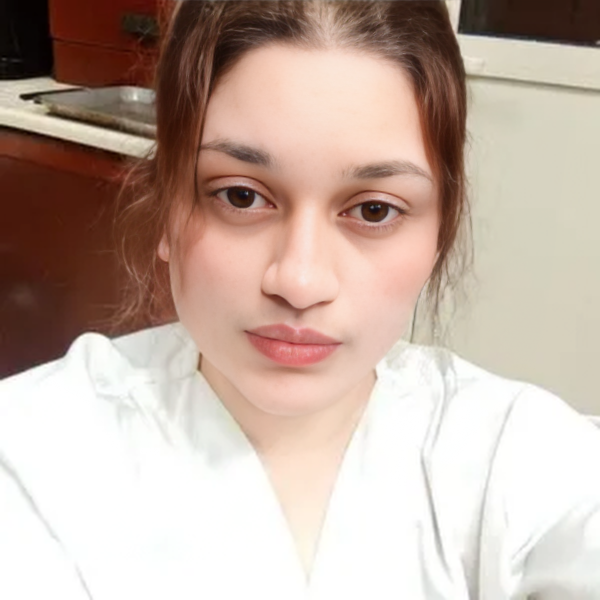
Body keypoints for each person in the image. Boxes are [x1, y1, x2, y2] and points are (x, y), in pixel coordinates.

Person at [1, 1, 599, 598]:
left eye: (373, 210)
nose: (300, 281)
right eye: (240, 196)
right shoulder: (36, 454)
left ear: (439, 232)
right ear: (168, 207)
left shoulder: (520, 457)